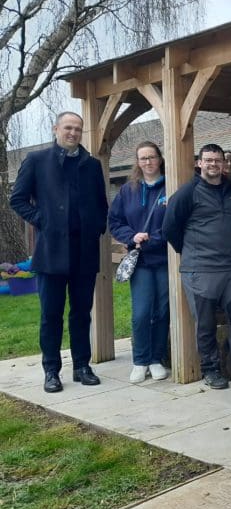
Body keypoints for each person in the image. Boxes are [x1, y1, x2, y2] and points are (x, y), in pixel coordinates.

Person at [10, 111, 108, 393]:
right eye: (68, 128)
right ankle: (51, 370)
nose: (73, 133)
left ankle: (82, 366)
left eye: (78, 129)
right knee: (50, 315)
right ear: (56, 129)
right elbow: (18, 199)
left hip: (84, 253)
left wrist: (97, 227)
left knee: (81, 313)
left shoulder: (91, 165)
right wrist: (44, 221)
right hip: (51, 252)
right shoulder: (37, 161)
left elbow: (102, 204)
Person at [163, 144, 231, 389]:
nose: (214, 164)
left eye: (218, 160)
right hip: (200, 269)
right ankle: (210, 369)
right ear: (199, 163)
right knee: (205, 324)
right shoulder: (187, 193)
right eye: (208, 160)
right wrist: (193, 253)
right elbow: (169, 228)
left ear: (224, 163)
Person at [108, 141, 170, 383]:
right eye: (143, 158)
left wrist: (153, 239)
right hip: (141, 261)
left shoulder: (170, 186)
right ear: (138, 162)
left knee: (162, 311)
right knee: (142, 312)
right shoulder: (128, 190)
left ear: (160, 159)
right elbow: (115, 222)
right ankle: (140, 360)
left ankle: (156, 359)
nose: (148, 162)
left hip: (165, 258)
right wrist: (131, 237)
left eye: (152, 157)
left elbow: (176, 222)